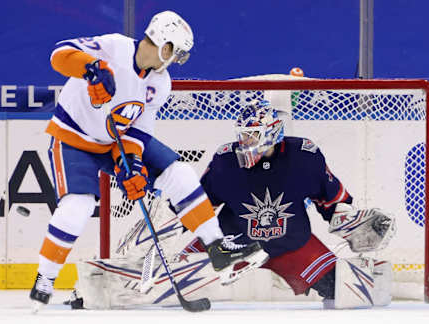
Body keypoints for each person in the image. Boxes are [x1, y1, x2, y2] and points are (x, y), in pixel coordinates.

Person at [30, 11, 267, 309]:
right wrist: (92, 69)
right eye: (176, 53)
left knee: (179, 173)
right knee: (79, 206)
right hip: (73, 139)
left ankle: (216, 246)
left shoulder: (160, 83)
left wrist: (132, 164)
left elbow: (138, 130)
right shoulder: (114, 47)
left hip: (114, 142)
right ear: (165, 46)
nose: (177, 60)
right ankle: (45, 278)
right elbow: (59, 54)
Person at [199, 99, 396, 309]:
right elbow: (197, 206)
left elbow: (331, 200)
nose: (244, 141)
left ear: (271, 132)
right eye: (242, 134)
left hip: (292, 245)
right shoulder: (225, 161)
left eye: (252, 134)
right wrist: (173, 220)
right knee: (171, 284)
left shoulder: (304, 157)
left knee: (353, 293)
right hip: (233, 246)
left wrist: (351, 223)